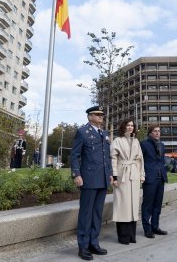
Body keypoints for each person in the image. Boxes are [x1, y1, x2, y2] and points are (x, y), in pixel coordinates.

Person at [70, 106, 113, 260]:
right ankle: (83, 246)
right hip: (88, 178)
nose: (101, 117)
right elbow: (74, 155)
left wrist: (110, 174)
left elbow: (106, 157)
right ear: (90, 117)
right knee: (86, 214)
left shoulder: (104, 133)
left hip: (102, 179)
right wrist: (76, 174)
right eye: (98, 114)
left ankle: (94, 243)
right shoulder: (83, 132)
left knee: (97, 214)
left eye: (102, 115)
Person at [111, 119, 145, 245]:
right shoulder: (117, 141)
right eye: (128, 125)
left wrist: (142, 175)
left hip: (134, 175)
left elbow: (140, 160)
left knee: (133, 205)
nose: (130, 127)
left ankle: (132, 235)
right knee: (123, 205)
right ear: (123, 126)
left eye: (132, 125)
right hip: (122, 175)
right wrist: (114, 177)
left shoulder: (136, 141)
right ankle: (123, 236)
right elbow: (113, 159)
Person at [140, 124, 168, 239]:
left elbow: (161, 160)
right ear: (150, 133)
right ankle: (147, 229)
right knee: (147, 205)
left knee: (157, 204)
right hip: (149, 178)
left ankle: (155, 226)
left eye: (159, 131)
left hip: (160, 178)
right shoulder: (144, 144)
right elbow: (140, 161)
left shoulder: (161, 145)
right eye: (155, 131)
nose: (157, 133)